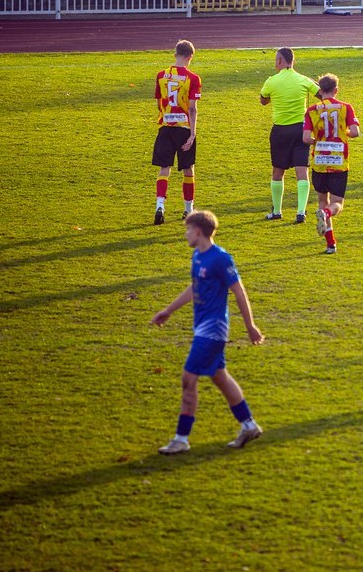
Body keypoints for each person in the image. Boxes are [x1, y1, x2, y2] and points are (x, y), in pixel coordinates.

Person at [151, 210, 265, 455]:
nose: (185, 235)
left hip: (214, 329)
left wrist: (250, 326)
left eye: (187, 230)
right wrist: (168, 310)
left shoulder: (220, 258)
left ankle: (181, 439)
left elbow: (239, 292)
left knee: (188, 378)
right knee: (219, 376)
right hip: (201, 325)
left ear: (198, 231)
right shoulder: (197, 256)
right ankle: (249, 426)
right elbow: (195, 288)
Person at [259, 47, 319, 224]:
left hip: (280, 131)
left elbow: (263, 101)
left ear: (279, 61)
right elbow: (321, 94)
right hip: (300, 130)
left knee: (278, 171)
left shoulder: (271, 81)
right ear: (293, 61)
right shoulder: (303, 80)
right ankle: (300, 212)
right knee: (302, 170)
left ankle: (277, 211)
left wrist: (276, 95)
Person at [303, 73, 360, 255]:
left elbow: (306, 138)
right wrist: (344, 133)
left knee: (322, 201)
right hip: (338, 162)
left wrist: (318, 142)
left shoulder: (312, 110)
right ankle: (327, 214)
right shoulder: (346, 108)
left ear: (320, 90)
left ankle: (331, 244)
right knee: (336, 204)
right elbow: (355, 132)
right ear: (336, 90)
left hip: (319, 162)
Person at [152, 40, 200, 225]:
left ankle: (160, 206)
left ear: (175, 54)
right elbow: (192, 109)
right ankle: (188, 210)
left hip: (165, 128)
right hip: (183, 129)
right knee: (188, 169)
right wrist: (192, 133)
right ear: (190, 57)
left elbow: (159, 103)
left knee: (164, 168)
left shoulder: (161, 75)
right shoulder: (193, 78)